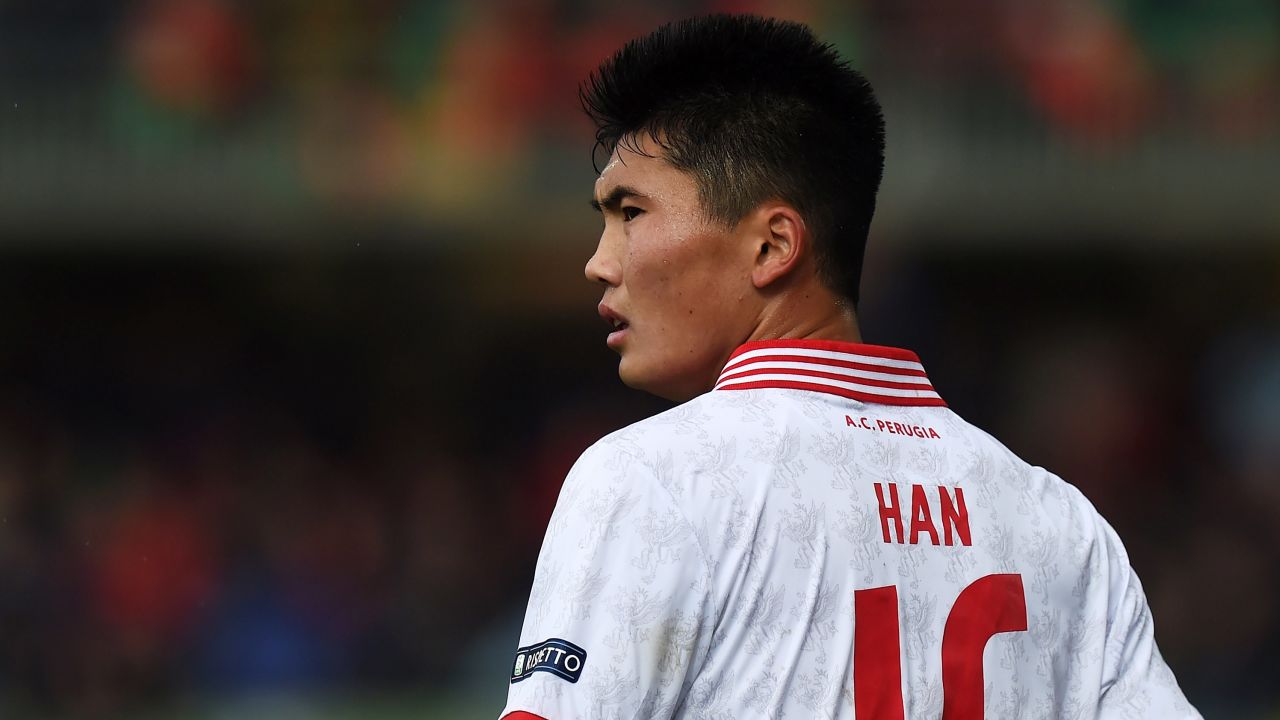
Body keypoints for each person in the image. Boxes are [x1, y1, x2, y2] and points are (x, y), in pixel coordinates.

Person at [500, 14, 1200, 719]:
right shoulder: (1061, 523)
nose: (598, 262)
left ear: (774, 247)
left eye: (630, 212)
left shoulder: (651, 479)